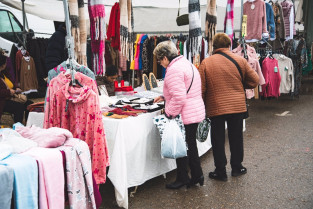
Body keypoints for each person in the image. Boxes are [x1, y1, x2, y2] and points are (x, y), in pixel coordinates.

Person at [198, 33, 259, 181]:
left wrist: (204, 105)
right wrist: (241, 85)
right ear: (229, 45)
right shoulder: (240, 60)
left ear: (214, 46)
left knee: (217, 139)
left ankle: (220, 171)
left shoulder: (206, 63)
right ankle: (237, 168)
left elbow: (201, 88)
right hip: (237, 106)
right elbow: (255, 80)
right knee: (236, 137)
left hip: (216, 107)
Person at [153, 41, 205, 189]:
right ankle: (196, 175)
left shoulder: (173, 70)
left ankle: (183, 177)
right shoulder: (185, 63)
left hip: (184, 114)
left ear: (164, 57)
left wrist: (169, 113)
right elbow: (184, 89)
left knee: (181, 146)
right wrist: (165, 97)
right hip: (194, 110)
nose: (160, 63)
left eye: (159, 59)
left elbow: (180, 97)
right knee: (190, 145)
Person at [0, 51, 33, 124]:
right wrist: (9, 92)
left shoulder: (4, 73)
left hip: (11, 97)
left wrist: (15, 89)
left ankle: (28, 124)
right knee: (19, 107)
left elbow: (11, 84)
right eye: (5, 63)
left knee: (30, 104)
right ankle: (18, 126)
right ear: (2, 65)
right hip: (3, 101)